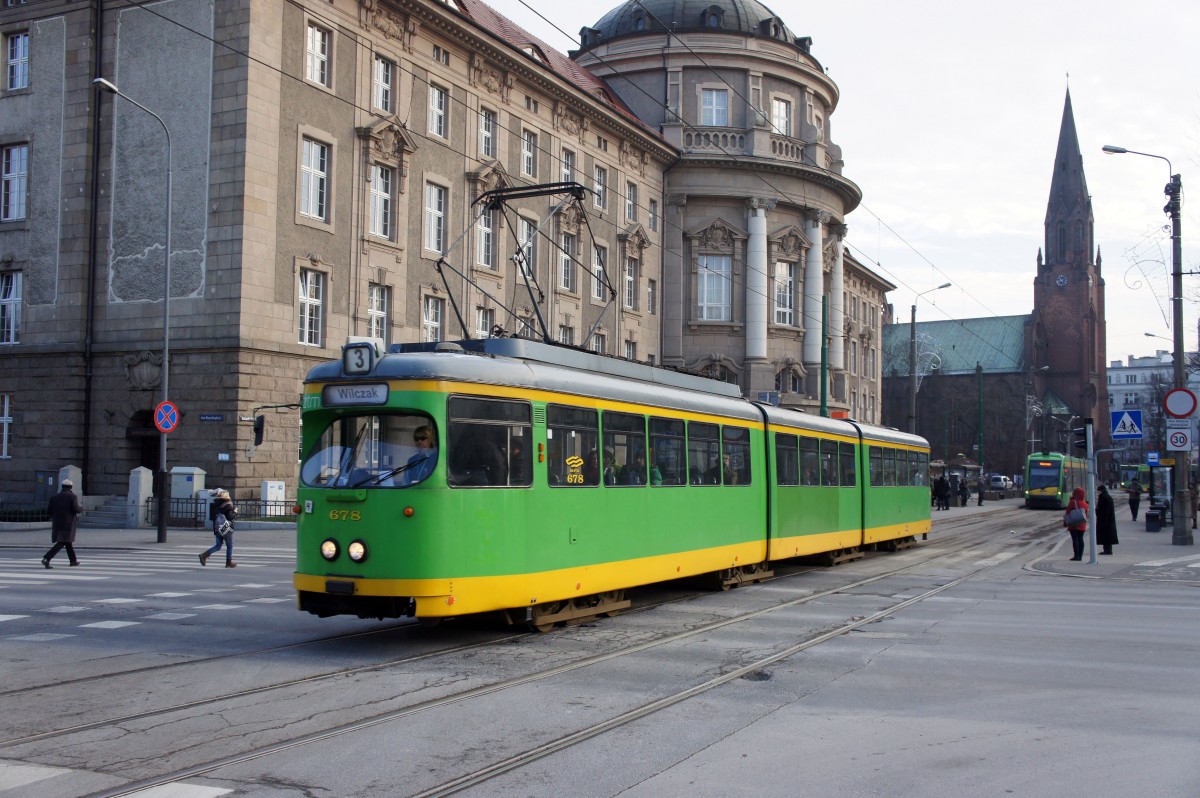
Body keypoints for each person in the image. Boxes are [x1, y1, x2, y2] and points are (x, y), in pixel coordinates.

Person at [42, 478, 83, 568]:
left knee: (68, 542)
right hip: (68, 523)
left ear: (62, 486)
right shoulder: (73, 497)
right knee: (62, 542)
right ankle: (47, 558)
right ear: (71, 487)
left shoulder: (54, 497)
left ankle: (73, 561)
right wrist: (81, 508)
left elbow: (49, 511)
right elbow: (76, 509)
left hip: (57, 522)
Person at [200, 488, 238, 567]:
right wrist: (235, 512)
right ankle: (228, 562)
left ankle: (204, 555)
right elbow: (230, 517)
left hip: (217, 528)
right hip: (227, 528)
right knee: (230, 545)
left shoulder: (217, 506)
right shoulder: (228, 505)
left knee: (218, 545)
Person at [1064, 486, 1088, 561]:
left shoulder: (1073, 502)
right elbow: (1086, 515)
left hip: (1073, 524)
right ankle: (1080, 556)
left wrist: (1065, 523)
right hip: (1082, 524)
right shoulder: (1085, 503)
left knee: (1075, 539)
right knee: (1081, 539)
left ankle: (1076, 556)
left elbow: (1068, 513)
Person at [1095, 484, 1119, 555]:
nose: (1097, 493)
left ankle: (1107, 551)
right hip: (1107, 521)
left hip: (1105, 521)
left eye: (1098, 491)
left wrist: (1097, 511)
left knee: (1106, 536)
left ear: (1101, 491)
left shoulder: (1104, 498)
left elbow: (1104, 510)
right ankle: (1107, 550)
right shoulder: (1106, 497)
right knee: (1107, 536)